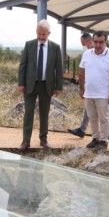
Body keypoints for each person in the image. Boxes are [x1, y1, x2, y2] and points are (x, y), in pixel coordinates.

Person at [17, 20, 64, 151]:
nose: (41, 37)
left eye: (44, 34)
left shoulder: (55, 47)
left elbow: (59, 68)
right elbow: (23, 65)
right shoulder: (29, 45)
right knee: (29, 113)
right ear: (36, 32)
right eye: (39, 34)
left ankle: (43, 139)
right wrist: (21, 83)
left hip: (46, 85)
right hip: (30, 85)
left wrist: (58, 86)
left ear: (49, 33)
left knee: (44, 113)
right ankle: (25, 141)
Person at [68, 32, 109, 142]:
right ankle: (95, 139)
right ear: (93, 41)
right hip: (89, 93)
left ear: (105, 42)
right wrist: (81, 89)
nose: (98, 44)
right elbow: (81, 72)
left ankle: (104, 141)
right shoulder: (86, 54)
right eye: (96, 41)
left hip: (103, 94)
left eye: (101, 42)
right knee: (92, 118)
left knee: (104, 119)